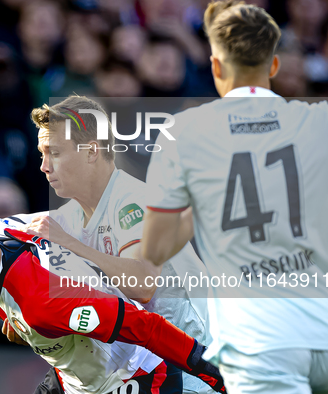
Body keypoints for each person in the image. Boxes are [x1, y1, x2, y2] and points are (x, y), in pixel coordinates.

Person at [141, 1, 328, 393]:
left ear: (216, 66)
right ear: (273, 66)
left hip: (260, 341)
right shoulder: (326, 120)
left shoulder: (183, 131)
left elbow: (154, 248)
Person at [0, 198, 226, 394]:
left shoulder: (43, 305)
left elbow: (144, 326)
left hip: (133, 378)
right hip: (74, 378)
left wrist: (215, 374)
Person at [22, 95, 213, 394]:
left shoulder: (134, 200)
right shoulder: (68, 217)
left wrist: (68, 243)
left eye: (55, 152)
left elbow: (142, 284)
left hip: (194, 371)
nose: (44, 166)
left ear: (91, 151)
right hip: (146, 369)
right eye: (42, 154)